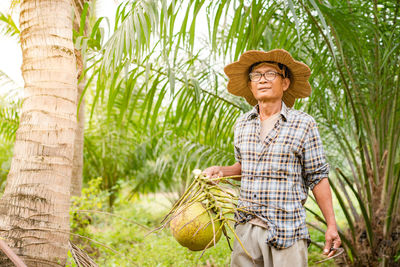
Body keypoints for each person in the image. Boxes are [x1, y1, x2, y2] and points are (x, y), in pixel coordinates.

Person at [203, 49, 341, 267]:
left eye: (270, 74)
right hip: (246, 229)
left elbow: (317, 177)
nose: (263, 80)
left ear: (285, 83)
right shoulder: (242, 124)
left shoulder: (303, 124)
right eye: (256, 75)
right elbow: (244, 166)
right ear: (250, 85)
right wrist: (222, 171)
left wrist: (331, 225)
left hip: (286, 230)